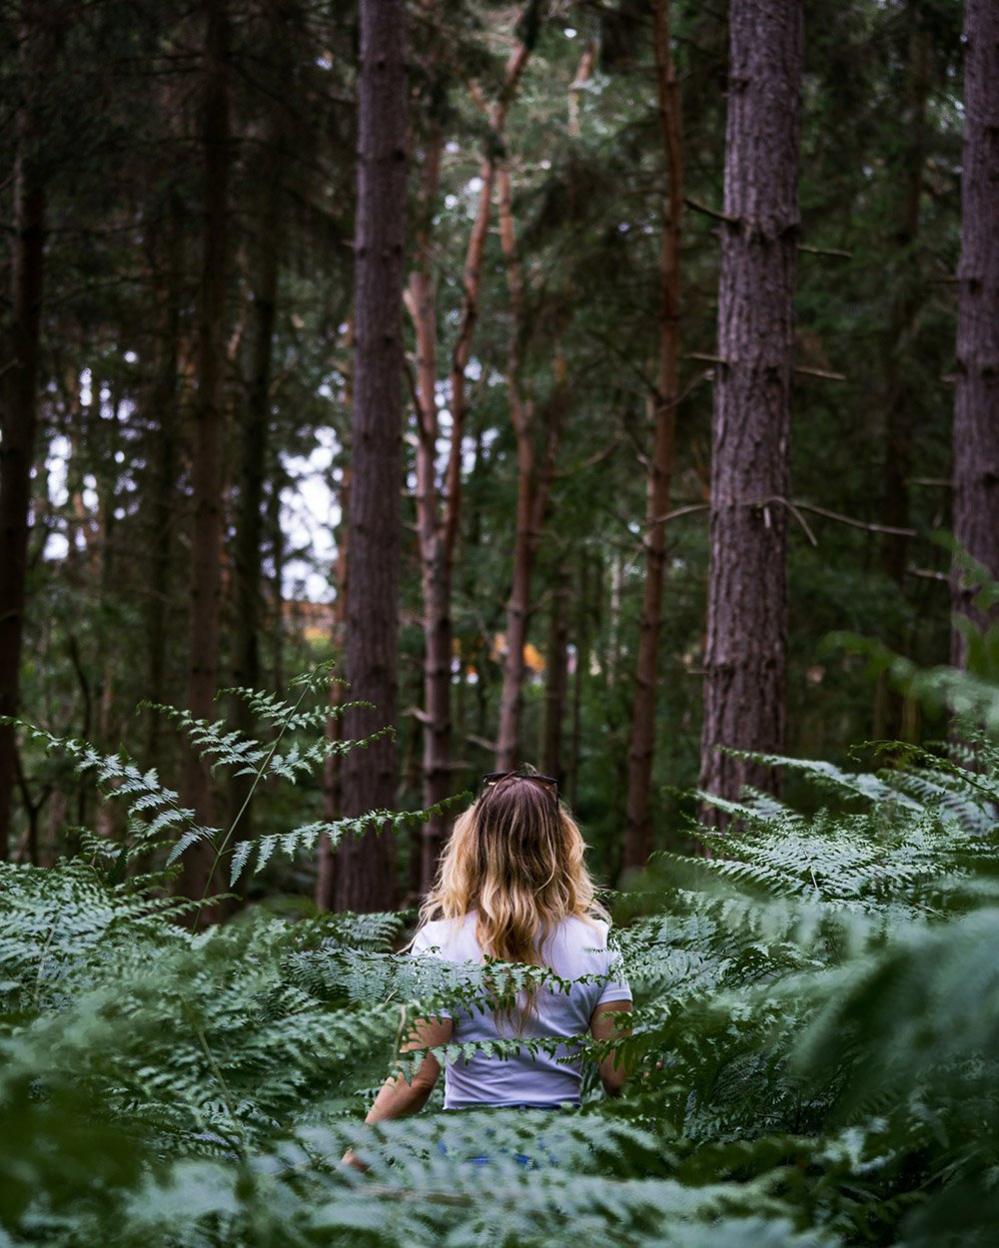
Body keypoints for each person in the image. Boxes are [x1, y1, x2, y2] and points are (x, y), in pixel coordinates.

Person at [343, 769, 632, 1168]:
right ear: (561, 844)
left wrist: (350, 1167)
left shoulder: (440, 941)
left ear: (474, 845)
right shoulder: (598, 940)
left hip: (469, 1154)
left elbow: (416, 1080)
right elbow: (619, 1078)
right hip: (562, 1159)